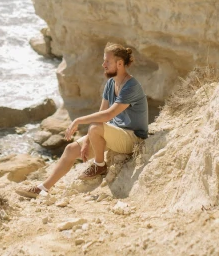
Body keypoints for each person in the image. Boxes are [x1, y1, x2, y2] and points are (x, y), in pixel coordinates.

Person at [16, 42, 149, 198]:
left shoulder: (131, 86)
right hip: (115, 133)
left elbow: (108, 115)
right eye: (104, 60)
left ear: (119, 64)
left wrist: (78, 120)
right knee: (71, 149)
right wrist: (87, 141)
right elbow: (101, 113)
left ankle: (99, 165)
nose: (103, 64)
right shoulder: (110, 84)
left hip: (133, 138)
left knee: (95, 129)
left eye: (107, 61)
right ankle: (43, 188)